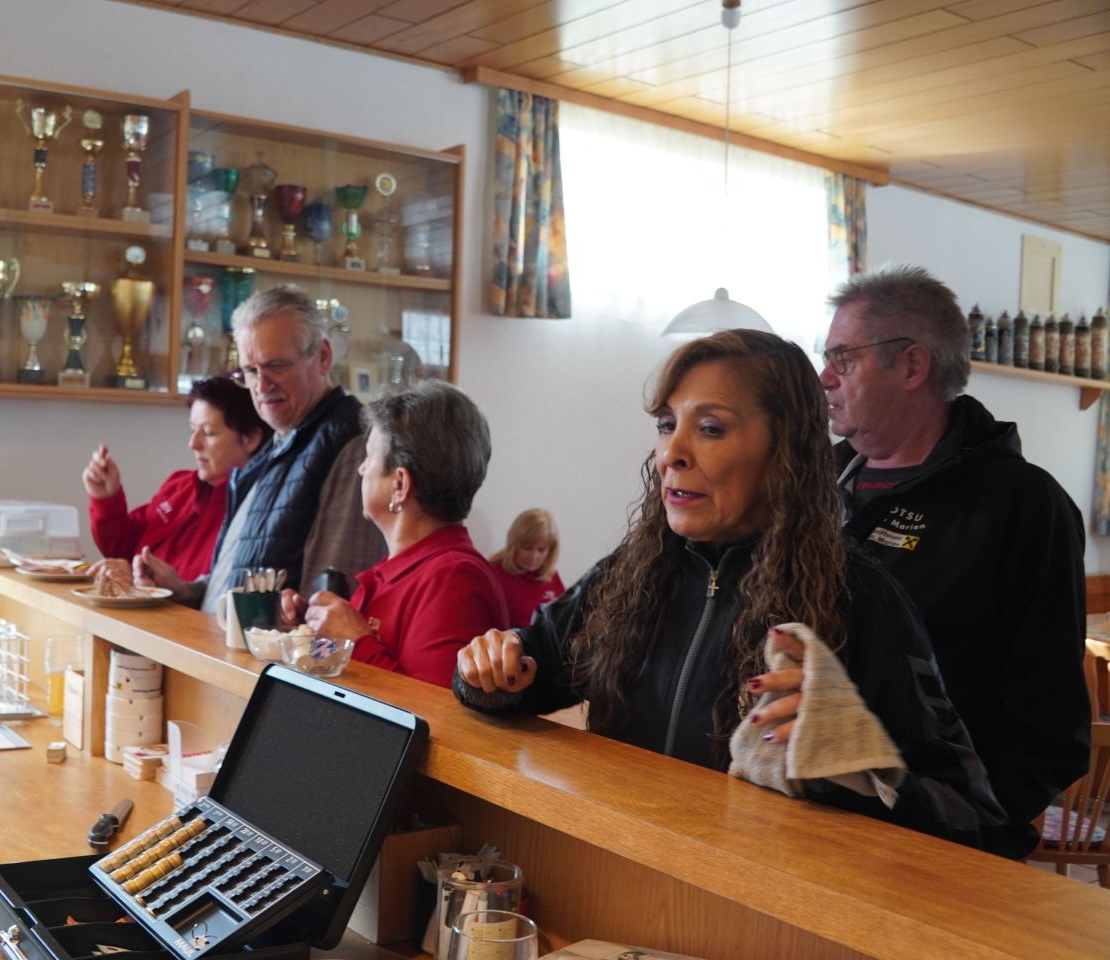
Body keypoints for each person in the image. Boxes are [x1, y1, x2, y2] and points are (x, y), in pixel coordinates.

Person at [454, 329, 1007, 852]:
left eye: (711, 429)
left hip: (751, 906)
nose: (671, 453)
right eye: (667, 425)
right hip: (617, 878)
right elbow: (530, 668)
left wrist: (853, 767)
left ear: (784, 451)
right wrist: (490, 674)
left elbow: (971, 814)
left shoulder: (859, 598)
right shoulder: (632, 571)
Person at [823, 265, 1090, 856]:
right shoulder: (809, 487)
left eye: (843, 359)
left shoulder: (1020, 504)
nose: (825, 378)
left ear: (912, 365)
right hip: (808, 814)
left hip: (938, 841)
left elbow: (1049, 717)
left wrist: (970, 821)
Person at [136, 285, 384, 612]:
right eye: (251, 371)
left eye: (276, 366)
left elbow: (331, 601)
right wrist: (187, 590)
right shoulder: (277, 442)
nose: (261, 386)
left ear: (323, 356)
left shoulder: (351, 444)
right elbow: (243, 581)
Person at [280, 381, 509, 687]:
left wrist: (356, 641)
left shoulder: (453, 581)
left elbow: (431, 711)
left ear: (400, 485)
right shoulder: (400, 570)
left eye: (369, 457)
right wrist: (313, 627)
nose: (361, 469)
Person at [82, 375, 267, 581]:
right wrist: (107, 499)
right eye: (192, 430)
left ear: (250, 439)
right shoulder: (180, 485)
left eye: (208, 433)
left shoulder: (255, 509)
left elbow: (211, 590)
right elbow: (124, 547)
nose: (193, 443)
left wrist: (137, 578)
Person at [488, 508, 565, 625]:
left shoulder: (551, 577)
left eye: (541, 550)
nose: (534, 557)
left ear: (551, 550)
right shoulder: (493, 574)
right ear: (514, 544)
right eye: (528, 548)